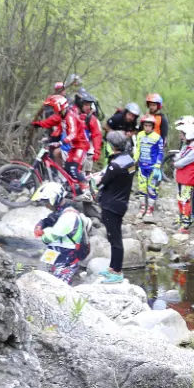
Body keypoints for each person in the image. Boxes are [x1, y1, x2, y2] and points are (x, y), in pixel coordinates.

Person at [91, 131, 137, 284]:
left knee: (115, 239)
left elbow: (102, 182)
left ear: (112, 146)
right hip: (121, 202)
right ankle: (112, 267)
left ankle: (117, 272)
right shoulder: (129, 161)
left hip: (111, 205)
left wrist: (96, 179)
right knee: (113, 237)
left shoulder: (115, 165)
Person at [31, 182, 90, 283]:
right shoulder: (61, 212)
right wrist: (40, 224)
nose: (46, 206)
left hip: (66, 258)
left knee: (57, 286)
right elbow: (48, 220)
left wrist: (42, 233)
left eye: (47, 202)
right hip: (58, 254)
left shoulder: (68, 216)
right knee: (46, 279)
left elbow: (51, 236)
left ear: (54, 198)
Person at [172, 118, 194, 234]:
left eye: (183, 133)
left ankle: (186, 223)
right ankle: (181, 218)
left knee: (185, 201)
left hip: (188, 179)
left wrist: (176, 162)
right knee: (180, 199)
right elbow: (178, 157)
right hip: (182, 178)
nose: (181, 135)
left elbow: (179, 163)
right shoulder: (189, 146)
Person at [132, 115, 164, 219]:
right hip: (142, 166)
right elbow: (137, 149)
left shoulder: (157, 137)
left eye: (149, 126)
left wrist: (158, 165)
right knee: (142, 188)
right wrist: (134, 160)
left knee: (152, 189)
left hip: (153, 167)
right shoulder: (140, 135)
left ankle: (150, 210)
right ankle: (142, 209)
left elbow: (160, 152)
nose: (147, 128)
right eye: (145, 125)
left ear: (153, 126)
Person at [76, 91, 102, 174]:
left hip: (88, 151)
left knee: (86, 173)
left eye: (89, 105)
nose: (87, 107)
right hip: (75, 149)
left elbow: (97, 135)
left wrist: (96, 152)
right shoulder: (74, 115)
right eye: (85, 105)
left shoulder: (92, 119)